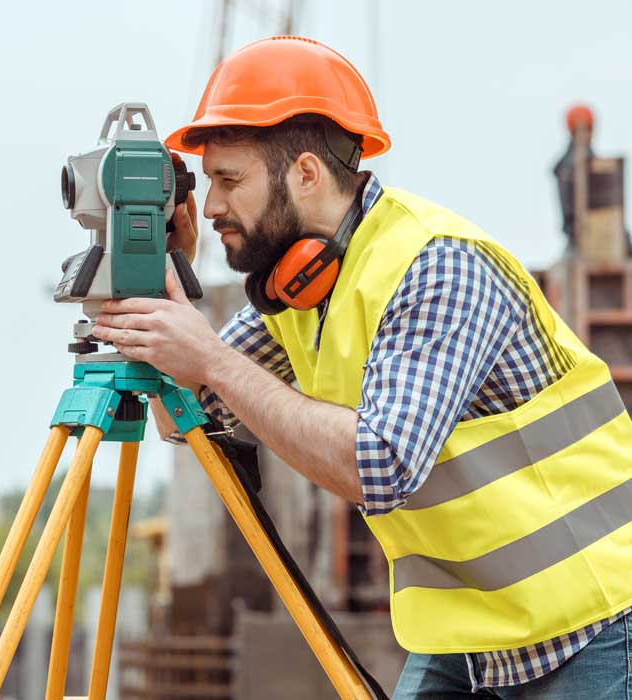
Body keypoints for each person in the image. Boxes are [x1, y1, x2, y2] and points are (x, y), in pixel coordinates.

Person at [91, 37, 632, 699]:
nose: (210, 207)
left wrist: (213, 359)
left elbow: (380, 465)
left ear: (306, 174)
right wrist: (165, 280)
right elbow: (194, 413)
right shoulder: (295, 288)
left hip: (594, 623)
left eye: (229, 179)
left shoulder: (437, 266)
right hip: (470, 636)